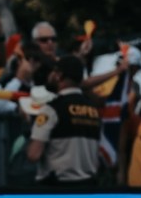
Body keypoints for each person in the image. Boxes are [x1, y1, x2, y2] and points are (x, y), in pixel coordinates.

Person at [26, 55, 102, 185]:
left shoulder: (51, 109)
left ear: (59, 75)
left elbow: (33, 155)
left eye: (53, 71)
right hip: (89, 187)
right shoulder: (93, 110)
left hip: (58, 188)